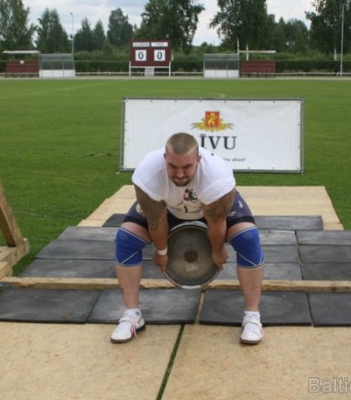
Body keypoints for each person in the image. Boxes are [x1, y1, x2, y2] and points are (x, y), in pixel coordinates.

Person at [111, 132, 265, 345]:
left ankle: (252, 317)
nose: (180, 174)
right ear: (165, 158)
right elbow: (157, 221)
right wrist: (162, 251)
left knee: (248, 238)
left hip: (209, 211)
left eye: (187, 167)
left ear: (198, 160)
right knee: (126, 238)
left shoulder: (217, 175)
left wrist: (218, 250)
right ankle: (132, 315)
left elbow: (216, 223)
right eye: (173, 166)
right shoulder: (148, 173)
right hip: (169, 209)